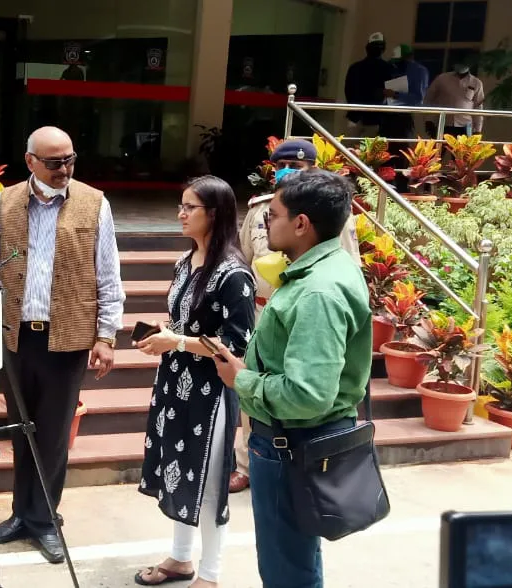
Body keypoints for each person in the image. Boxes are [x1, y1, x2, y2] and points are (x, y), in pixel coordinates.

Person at [212, 169, 372, 588]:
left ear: (302, 224)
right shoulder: (327, 266)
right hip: (293, 439)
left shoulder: (317, 290)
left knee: (287, 566)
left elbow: (308, 394)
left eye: (273, 216)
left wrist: (241, 379)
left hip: (290, 441)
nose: (266, 224)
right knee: (296, 557)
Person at [0, 126, 125, 563]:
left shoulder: (94, 203)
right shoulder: (4, 202)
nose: (64, 169)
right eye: (54, 162)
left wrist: (106, 335)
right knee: (21, 431)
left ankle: (45, 519)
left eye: (69, 160)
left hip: (69, 339)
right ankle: (21, 513)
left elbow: (109, 276)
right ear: (30, 162)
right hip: (16, 338)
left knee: (54, 435)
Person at [131, 176, 255, 587]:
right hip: (175, 381)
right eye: (180, 205)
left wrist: (177, 340)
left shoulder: (234, 275)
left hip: (212, 390)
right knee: (178, 470)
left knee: (209, 480)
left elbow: (237, 345)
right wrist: (164, 336)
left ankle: (211, 573)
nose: (181, 214)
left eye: (190, 207)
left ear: (214, 214)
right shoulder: (186, 262)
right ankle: (182, 558)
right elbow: (185, 322)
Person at [234, 138, 360, 494]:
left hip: (309, 317)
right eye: (283, 166)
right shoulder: (261, 210)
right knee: (258, 380)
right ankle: (248, 461)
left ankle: (293, 459)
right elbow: (244, 258)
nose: (289, 172)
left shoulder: (331, 218)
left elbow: (349, 261)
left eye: (301, 167)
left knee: (297, 385)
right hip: (265, 309)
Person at [343, 32, 397, 139]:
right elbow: (396, 96)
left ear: (367, 48)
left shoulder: (355, 68)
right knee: (371, 153)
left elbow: (348, 91)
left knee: (348, 152)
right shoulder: (389, 69)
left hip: (354, 117)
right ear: (383, 49)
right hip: (376, 119)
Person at [425, 64, 485, 138]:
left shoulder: (476, 82)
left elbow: (478, 107)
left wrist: (478, 130)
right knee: (438, 148)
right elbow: (428, 99)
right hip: (442, 123)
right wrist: (429, 120)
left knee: (463, 149)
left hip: (465, 126)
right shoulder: (442, 78)